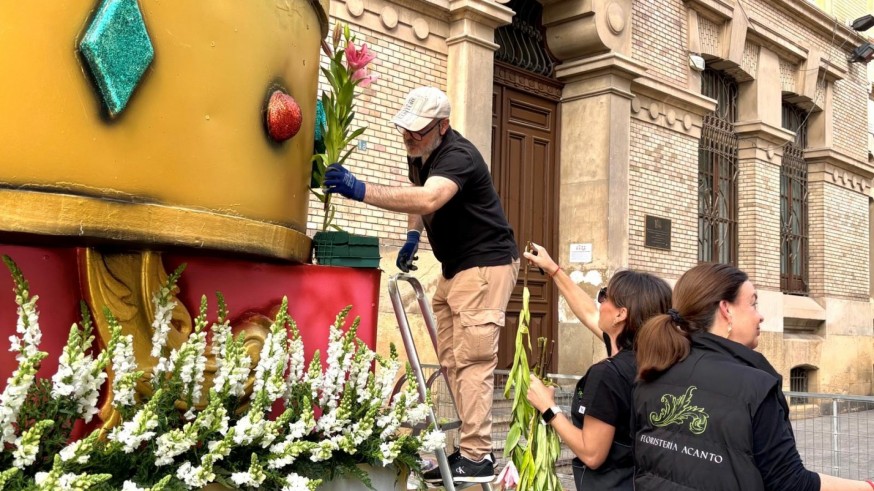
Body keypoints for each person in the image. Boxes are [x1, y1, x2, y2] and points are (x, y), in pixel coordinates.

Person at [324, 86, 519, 484]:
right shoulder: (422, 154)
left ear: (443, 126)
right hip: (455, 268)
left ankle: (478, 455)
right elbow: (418, 201)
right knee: (450, 360)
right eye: (405, 130)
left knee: (473, 362)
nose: (408, 137)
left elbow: (430, 198)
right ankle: (466, 446)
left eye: (418, 131)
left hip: (485, 267)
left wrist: (360, 190)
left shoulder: (459, 156)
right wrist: (413, 236)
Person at [634, 262, 874, 491]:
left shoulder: (651, 374)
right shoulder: (755, 387)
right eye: (753, 304)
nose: (760, 316)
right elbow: (790, 483)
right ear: (726, 310)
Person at [524, 244, 671, 491]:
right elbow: (588, 312)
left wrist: (548, 408)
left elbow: (592, 455)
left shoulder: (608, 374)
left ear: (620, 315)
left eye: (605, 296)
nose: (599, 302)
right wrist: (553, 270)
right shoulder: (652, 359)